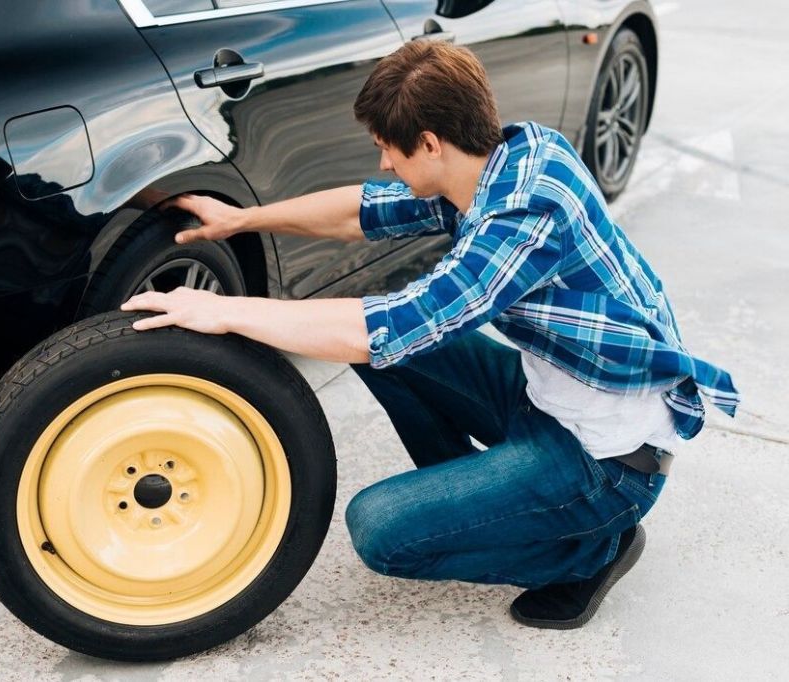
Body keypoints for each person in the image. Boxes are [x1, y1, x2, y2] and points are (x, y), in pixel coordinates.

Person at [120, 41, 739, 629]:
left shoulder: (523, 219)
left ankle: (585, 552)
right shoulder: (507, 157)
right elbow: (361, 210)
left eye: (389, 148)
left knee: (381, 530)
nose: (384, 162)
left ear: (430, 143)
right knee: (364, 338)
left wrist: (225, 311)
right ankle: (492, 501)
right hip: (546, 399)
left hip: (606, 463)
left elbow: (397, 323)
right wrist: (242, 218)